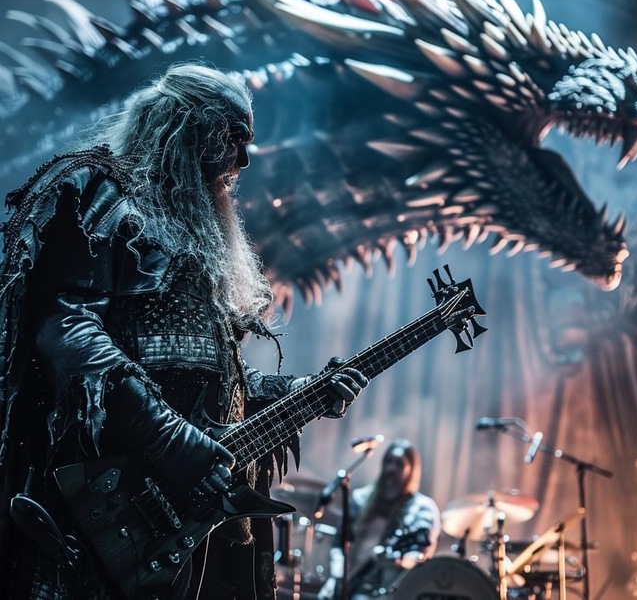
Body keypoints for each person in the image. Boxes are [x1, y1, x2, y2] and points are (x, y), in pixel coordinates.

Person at [0, 62, 369, 600]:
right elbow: (67, 325)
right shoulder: (100, 193)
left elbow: (203, 373)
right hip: (108, 492)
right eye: (234, 138)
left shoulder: (194, 230)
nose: (244, 161)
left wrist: (295, 392)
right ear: (186, 127)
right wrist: (167, 436)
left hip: (182, 508)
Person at [319, 439, 441, 600]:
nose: (391, 468)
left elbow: (420, 557)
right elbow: (338, 544)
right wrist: (337, 577)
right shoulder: (360, 499)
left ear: (412, 469)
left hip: (390, 593)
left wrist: (395, 561)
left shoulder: (422, 509)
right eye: (389, 462)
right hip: (348, 586)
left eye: (399, 464)